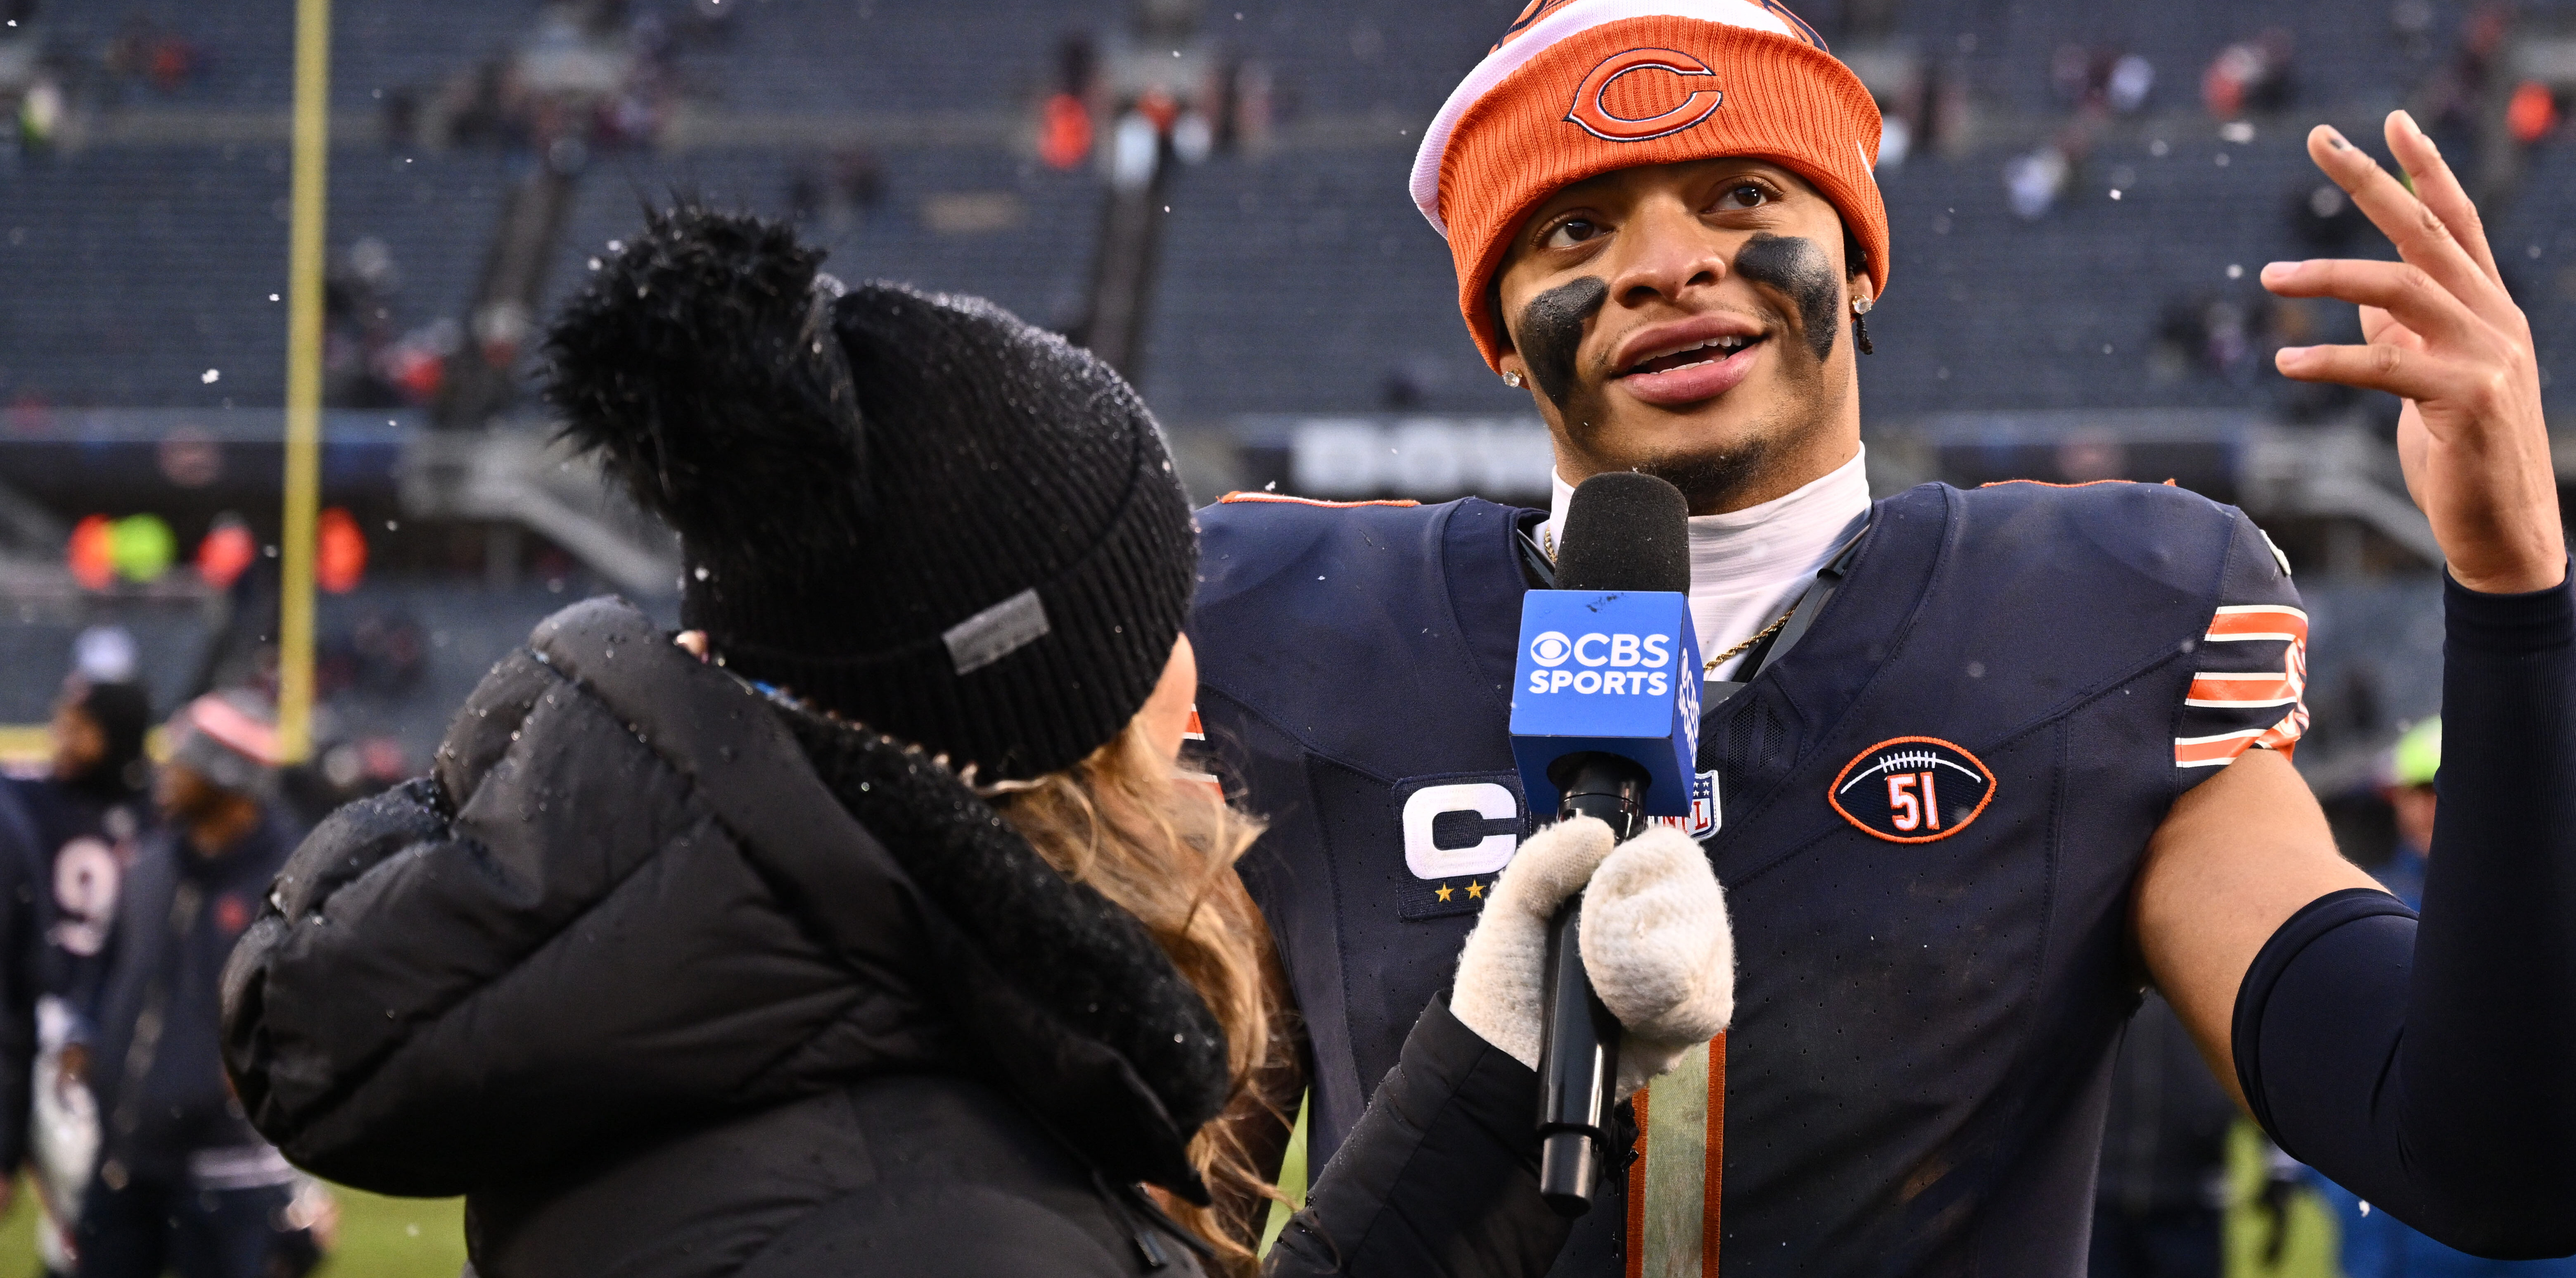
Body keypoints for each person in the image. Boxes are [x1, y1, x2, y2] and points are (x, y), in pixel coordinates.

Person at [1190, 0, 2576, 1273]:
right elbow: (1158, 1232)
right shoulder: (1298, 639)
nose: (1664, 261)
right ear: (1499, 327)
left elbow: (2498, 1160)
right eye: (1574, 227)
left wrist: (2510, 587)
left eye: (1741, 195)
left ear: (1859, 251)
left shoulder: (2101, 624)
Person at [223, 207, 1737, 1278]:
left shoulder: (775, 1013)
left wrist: (1491, 1079)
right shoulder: (906, 1201)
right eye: (1155, 635)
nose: (1194, 681)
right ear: (1025, 734)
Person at [2305, 717, 2576, 1277]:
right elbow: (2315, 1068)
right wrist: (2335, 1185)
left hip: (2532, 1244)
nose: (2428, 807)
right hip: (2396, 1241)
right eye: (2417, 790)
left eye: (2445, 786)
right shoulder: (2360, 900)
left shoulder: (2567, 898)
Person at [73, 689, 299, 1278]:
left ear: (228, 776)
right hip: (125, 1158)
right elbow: (108, 975)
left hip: (230, 1172)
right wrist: (91, 1036)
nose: (165, 774)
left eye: (185, 760)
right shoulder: (149, 865)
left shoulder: (292, 884)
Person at [9, 658, 156, 1271]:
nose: (61, 739)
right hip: (48, 1022)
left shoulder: (161, 809)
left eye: (78, 727)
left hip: (132, 1023)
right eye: (60, 723)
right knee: (85, 1199)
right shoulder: (27, 799)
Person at [2090, 996, 2238, 1278]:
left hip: (2191, 1201)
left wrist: (2278, 1168)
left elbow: (2253, 1057)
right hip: (2100, 1201)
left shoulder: (2208, 968)